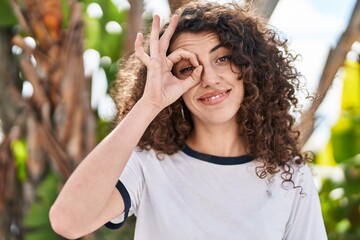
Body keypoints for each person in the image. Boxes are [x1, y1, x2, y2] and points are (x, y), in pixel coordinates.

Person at [49, 1, 328, 239]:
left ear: (250, 66)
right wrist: (150, 104)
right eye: (188, 68)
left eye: (223, 59)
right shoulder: (149, 164)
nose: (209, 79)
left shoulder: (288, 175)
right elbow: (68, 221)